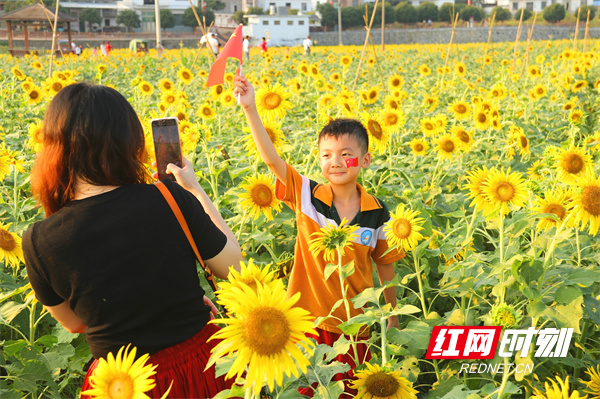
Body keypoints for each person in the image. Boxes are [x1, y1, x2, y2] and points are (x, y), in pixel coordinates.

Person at [23, 83, 243, 398]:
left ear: (53, 147)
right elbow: (232, 265)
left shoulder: (38, 240)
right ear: (129, 141)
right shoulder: (169, 198)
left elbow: (74, 323)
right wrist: (194, 190)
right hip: (199, 366)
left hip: (119, 384)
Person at [233, 75, 403, 397]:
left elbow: (386, 268)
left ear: (365, 160)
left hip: (358, 327)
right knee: (311, 389)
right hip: (307, 323)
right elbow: (272, 159)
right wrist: (251, 109)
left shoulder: (378, 213)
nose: (335, 162)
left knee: (353, 390)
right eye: (326, 155)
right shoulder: (308, 196)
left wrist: (391, 318)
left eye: (345, 154)